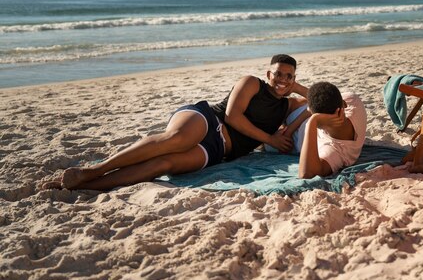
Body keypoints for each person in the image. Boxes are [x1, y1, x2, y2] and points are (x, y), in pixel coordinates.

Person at [41, 54, 307, 191]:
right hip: (207, 120)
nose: (283, 79)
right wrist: (270, 139)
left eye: (289, 76)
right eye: (278, 74)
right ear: (268, 73)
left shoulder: (288, 105)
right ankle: (96, 170)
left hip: (218, 150)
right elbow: (231, 117)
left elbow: (322, 99)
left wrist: (296, 87)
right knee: (175, 140)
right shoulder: (251, 82)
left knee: (164, 164)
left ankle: (84, 185)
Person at [273, 81, 367, 179]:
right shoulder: (352, 101)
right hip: (294, 113)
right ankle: (294, 86)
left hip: (283, 139)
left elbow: (305, 174)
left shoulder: (335, 151)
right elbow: (325, 98)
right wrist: (290, 130)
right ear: (344, 104)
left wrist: (312, 121)